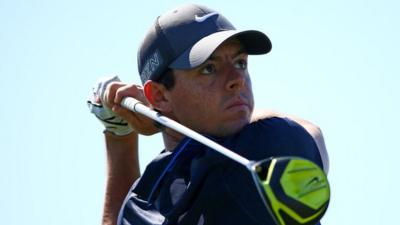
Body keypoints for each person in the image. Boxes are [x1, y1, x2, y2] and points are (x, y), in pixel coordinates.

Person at [88, 3, 329, 225]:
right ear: (160, 95)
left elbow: (309, 132)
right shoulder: (147, 193)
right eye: (209, 68)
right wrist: (124, 133)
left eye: (240, 63)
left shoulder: (266, 144)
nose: (237, 80)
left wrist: (122, 135)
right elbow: (309, 130)